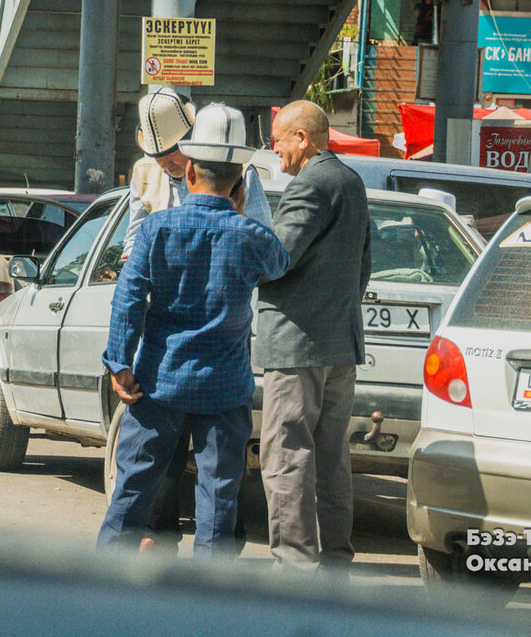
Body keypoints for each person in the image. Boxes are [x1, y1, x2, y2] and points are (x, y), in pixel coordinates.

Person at [98, 103, 288, 560]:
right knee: (219, 499)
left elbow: (128, 296)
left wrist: (119, 363)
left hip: (157, 380)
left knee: (133, 487)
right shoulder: (253, 237)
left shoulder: (158, 228)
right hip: (225, 386)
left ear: (190, 173)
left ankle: (103, 587)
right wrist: (240, 213)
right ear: (238, 181)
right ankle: (209, 604)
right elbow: (279, 265)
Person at [255, 99, 372, 572]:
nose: (274, 149)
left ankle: (295, 567)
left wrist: (247, 237)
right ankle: (335, 562)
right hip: (339, 343)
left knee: (286, 455)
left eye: (278, 139)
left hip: (297, 344)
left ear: (302, 138)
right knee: (331, 458)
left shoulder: (311, 184)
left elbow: (275, 258)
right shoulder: (351, 181)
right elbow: (362, 265)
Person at [123, 87, 271, 259]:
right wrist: (134, 257)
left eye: (171, 154)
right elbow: (134, 236)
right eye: (157, 156)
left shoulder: (240, 174)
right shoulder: (142, 173)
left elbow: (264, 242)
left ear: (191, 143)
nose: (165, 164)